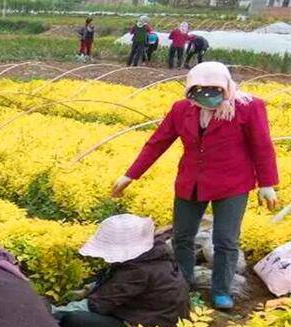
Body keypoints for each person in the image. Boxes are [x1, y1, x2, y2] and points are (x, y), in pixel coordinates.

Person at [111, 62, 279, 310]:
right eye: (200, 89)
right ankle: (183, 283)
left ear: (226, 86)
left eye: (214, 88)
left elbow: (262, 145)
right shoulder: (182, 109)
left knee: (226, 240)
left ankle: (221, 290)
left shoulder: (248, 107)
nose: (207, 94)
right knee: (182, 236)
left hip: (232, 183)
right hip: (192, 182)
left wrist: (267, 183)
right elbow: (158, 142)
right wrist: (131, 175)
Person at [56, 215, 190, 327]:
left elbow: (96, 305)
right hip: (153, 319)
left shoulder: (138, 271)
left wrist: (52, 313)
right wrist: (87, 290)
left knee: (76, 320)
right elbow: (117, 284)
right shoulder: (154, 256)